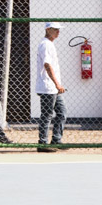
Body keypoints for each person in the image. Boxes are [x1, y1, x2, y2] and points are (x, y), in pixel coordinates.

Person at [34, 22, 67, 152]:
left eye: (59, 30)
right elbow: (47, 65)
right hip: (48, 87)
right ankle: (42, 143)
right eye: (55, 29)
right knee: (47, 115)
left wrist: (57, 85)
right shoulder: (46, 45)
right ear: (48, 30)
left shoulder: (49, 44)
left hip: (53, 88)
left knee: (62, 112)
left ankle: (56, 140)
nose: (58, 32)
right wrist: (57, 84)